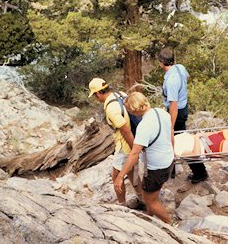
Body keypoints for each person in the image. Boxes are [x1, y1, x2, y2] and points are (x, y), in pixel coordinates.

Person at [114, 92, 174, 224]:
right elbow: (171, 134)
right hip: (168, 160)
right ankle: (150, 217)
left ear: (133, 110)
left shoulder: (144, 126)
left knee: (148, 200)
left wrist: (120, 176)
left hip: (157, 168)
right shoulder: (162, 112)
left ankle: (169, 224)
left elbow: (134, 154)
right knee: (152, 194)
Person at [88, 78, 143, 207]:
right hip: (136, 137)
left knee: (116, 176)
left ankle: (121, 206)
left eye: (95, 96)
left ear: (98, 94)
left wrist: (135, 150)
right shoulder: (121, 94)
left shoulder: (111, 108)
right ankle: (142, 200)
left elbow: (125, 131)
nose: (96, 99)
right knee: (132, 172)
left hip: (125, 144)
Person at [158, 47, 208, 184]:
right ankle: (173, 171)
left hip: (177, 112)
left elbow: (173, 105)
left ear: (161, 62)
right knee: (178, 141)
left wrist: (171, 126)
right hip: (183, 107)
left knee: (181, 142)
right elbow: (187, 77)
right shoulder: (180, 67)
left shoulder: (171, 81)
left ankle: (200, 171)